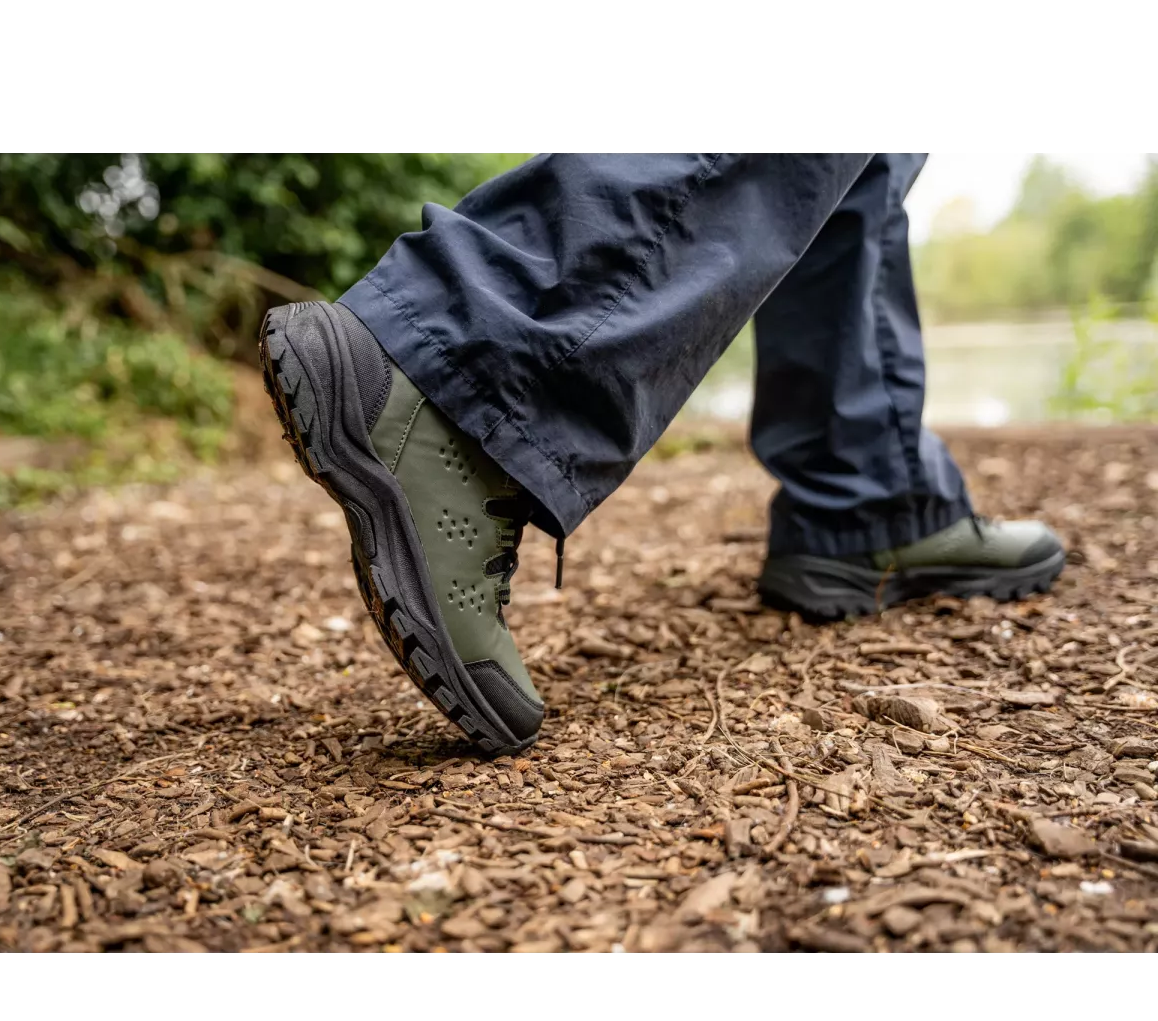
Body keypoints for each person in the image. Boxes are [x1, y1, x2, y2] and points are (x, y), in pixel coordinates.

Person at [259, 154, 1064, 754]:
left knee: (868, 153)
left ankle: (866, 493)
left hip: (867, 488)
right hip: (464, 368)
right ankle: (465, 382)